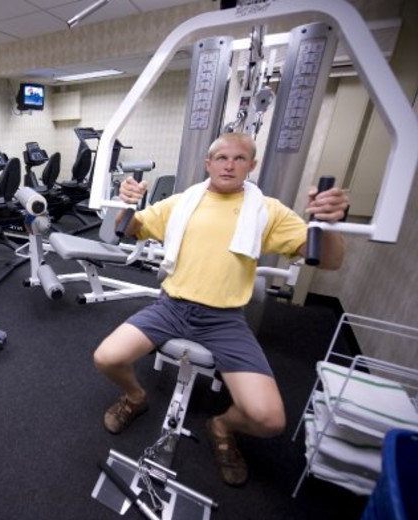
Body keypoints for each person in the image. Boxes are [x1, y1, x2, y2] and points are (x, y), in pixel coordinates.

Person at [93, 132, 349, 486]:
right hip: (171, 306)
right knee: (106, 357)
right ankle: (136, 397)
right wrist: (127, 202)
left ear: (252, 166)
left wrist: (329, 223)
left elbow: (330, 260)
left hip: (224, 320)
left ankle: (222, 425)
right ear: (208, 163)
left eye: (239, 158)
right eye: (222, 158)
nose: (229, 164)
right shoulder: (183, 202)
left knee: (269, 419)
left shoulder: (267, 210)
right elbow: (131, 228)